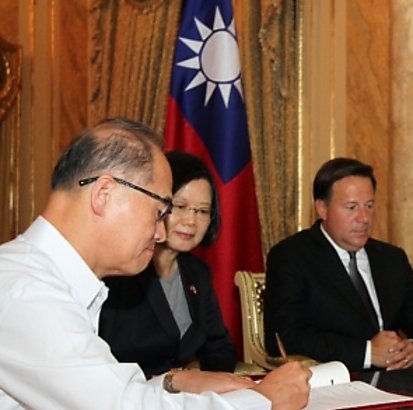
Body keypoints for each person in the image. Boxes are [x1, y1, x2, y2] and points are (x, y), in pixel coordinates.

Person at [0, 118, 309, 409]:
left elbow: (104, 391)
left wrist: (175, 382)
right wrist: (265, 401)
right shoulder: (24, 291)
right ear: (104, 194)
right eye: (160, 211)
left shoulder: (48, 280)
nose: (161, 232)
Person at [264, 158, 413, 371]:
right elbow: (284, 337)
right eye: (351, 207)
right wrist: (367, 352)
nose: (364, 218)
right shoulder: (291, 256)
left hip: (397, 382)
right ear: (322, 208)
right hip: (333, 385)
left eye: (369, 206)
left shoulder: (391, 258)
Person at [100, 151, 236, 378]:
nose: (191, 221)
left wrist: (212, 384)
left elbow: (219, 348)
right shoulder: (119, 269)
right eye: (180, 206)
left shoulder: (197, 273)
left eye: (202, 211)